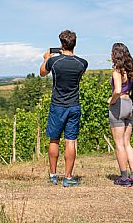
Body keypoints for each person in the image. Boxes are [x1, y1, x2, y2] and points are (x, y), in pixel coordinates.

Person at [40, 30, 88, 187]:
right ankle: (68, 178)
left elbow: (42, 73)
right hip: (74, 105)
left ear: (61, 44)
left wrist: (47, 58)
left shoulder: (55, 62)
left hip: (57, 106)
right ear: (75, 43)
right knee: (70, 141)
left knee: (54, 139)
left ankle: (53, 175)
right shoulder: (82, 63)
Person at [108, 43, 133, 187]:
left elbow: (117, 90)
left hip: (119, 106)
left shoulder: (117, 71)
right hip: (130, 105)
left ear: (116, 55)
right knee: (127, 143)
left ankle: (124, 178)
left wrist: (111, 101)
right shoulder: (131, 70)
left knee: (119, 144)